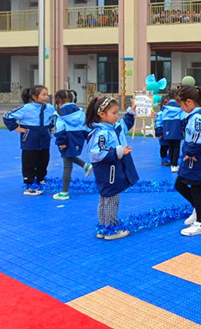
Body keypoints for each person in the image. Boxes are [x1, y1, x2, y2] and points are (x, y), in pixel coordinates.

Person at [86, 96, 139, 240]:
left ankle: (104, 227)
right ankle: (110, 228)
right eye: (114, 113)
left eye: (117, 113)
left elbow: (124, 124)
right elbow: (98, 152)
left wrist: (131, 112)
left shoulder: (112, 127)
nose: (117, 116)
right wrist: (119, 151)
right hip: (108, 171)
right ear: (101, 114)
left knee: (106, 198)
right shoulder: (102, 133)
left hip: (112, 169)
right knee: (110, 198)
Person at [174, 85, 201, 236]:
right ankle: (200, 209)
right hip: (194, 156)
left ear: (189, 102)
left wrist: (190, 151)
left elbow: (200, 137)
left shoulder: (198, 118)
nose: (180, 108)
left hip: (199, 158)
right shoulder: (197, 115)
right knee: (180, 184)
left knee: (196, 189)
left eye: (180, 104)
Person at [3, 86, 57, 196]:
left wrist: (52, 126)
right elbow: (7, 116)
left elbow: (55, 117)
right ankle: (29, 184)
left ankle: (41, 178)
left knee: (44, 160)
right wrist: (16, 128)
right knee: (29, 162)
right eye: (43, 95)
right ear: (34, 97)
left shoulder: (50, 108)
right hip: (29, 141)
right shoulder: (26, 108)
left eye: (47, 94)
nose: (46, 97)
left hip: (44, 141)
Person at [52, 89, 92, 201]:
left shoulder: (59, 112)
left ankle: (64, 192)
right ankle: (85, 165)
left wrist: (61, 142)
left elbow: (59, 128)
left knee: (67, 165)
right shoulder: (79, 111)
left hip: (67, 138)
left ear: (58, 100)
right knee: (69, 156)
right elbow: (85, 125)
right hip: (77, 138)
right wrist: (87, 137)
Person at [161, 89, 186, 173]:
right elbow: (183, 118)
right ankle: (174, 165)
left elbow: (161, 119)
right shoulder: (179, 108)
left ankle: (172, 164)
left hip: (167, 128)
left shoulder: (165, 108)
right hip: (176, 127)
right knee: (176, 147)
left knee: (171, 147)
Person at [155, 95, 171, 166]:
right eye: (165, 103)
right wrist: (160, 133)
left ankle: (170, 158)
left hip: (171, 132)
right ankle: (163, 159)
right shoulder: (161, 113)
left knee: (171, 146)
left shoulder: (172, 112)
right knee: (164, 147)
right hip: (163, 133)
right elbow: (158, 123)